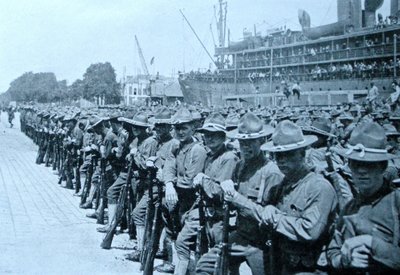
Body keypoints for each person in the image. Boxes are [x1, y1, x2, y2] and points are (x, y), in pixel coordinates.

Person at [196, 112, 283, 275]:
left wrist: (236, 198)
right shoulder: (240, 167)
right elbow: (225, 197)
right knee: (205, 266)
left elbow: (271, 215)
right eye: (243, 143)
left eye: (251, 143)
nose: (246, 147)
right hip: (241, 236)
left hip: (262, 242)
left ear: (262, 141)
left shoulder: (272, 172)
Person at [327, 122, 400, 274]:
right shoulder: (350, 207)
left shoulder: (396, 202)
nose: (361, 171)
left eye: (369, 164)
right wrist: (343, 259)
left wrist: (371, 243)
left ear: (383, 166)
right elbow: (333, 249)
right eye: (355, 164)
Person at [173, 113, 239, 275]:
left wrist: (202, 180)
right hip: (208, 214)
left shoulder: (229, 158)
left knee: (224, 263)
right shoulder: (210, 156)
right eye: (207, 135)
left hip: (221, 217)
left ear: (223, 136)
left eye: (214, 135)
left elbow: (218, 191)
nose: (210, 138)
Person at [162, 108, 208, 273]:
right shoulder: (176, 147)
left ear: (193, 128)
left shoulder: (198, 150)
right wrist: (168, 183)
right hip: (181, 202)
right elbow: (169, 165)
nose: (180, 132)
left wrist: (171, 183)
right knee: (180, 238)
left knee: (187, 242)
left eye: (184, 128)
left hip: (195, 205)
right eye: (177, 128)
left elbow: (189, 182)